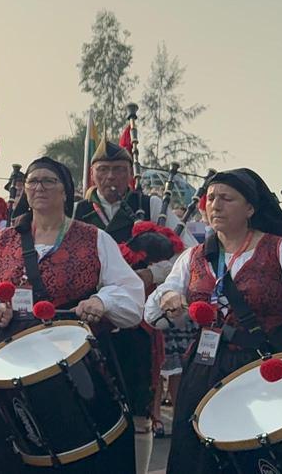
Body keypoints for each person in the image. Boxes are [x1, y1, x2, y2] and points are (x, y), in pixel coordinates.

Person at [145, 168, 282, 474]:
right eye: (212, 197)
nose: (215, 205)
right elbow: (156, 310)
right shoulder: (193, 257)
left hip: (264, 365)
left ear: (250, 208)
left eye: (227, 198)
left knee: (263, 458)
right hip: (203, 369)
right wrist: (166, 299)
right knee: (196, 458)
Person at [0, 157, 144, 473]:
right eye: (33, 181)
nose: (38, 187)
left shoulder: (94, 238)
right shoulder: (3, 239)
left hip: (74, 360)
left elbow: (130, 295)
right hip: (12, 359)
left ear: (67, 192)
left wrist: (102, 302)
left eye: (48, 181)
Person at [70, 140, 188, 471]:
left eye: (119, 171)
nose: (111, 178)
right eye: (104, 170)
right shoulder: (76, 212)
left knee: (138, 402)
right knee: (88, 400)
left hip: (137, 322)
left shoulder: (148, 205)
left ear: (130, 175)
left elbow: (186, 256)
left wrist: (152, 272)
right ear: (92, 174)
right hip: (86, 322)